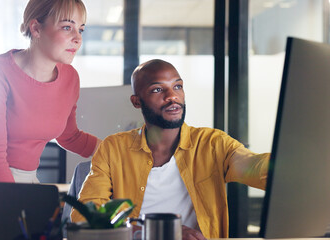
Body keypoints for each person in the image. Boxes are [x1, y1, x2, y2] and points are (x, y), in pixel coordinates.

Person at [0, 0, 102, 237]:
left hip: (24, 181)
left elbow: (68, 135)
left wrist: (116, 149)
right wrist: (13, 207)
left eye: (81, 29)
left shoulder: (70, 78)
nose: (77, 38)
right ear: (36, 28)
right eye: (67, 27)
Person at [71, 59, 270, 240]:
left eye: (178, 86)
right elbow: (84, 215)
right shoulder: (113, 148)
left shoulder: (212, 143)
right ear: (136, 101)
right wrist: (157, 230)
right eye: (158, 90)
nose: (172, 96)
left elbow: (256, 168)